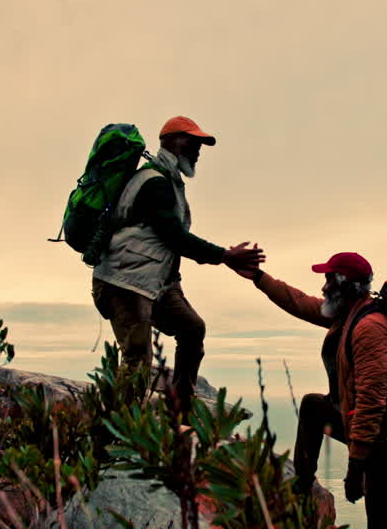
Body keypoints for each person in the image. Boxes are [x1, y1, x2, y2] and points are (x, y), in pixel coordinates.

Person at [229, 251, 387, 529]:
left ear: (347, 286)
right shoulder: (348, 314)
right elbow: (300, 302)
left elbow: (371, 403)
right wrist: (258, 278)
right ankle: (302, 482)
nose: (323, 286)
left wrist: (356, 467)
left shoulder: (369, 328)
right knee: (315, 406)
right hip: (370, 433)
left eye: (329, 280)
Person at [91, 115, 263, 414]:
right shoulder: (154, 182)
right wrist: (225, 256)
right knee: (137, 363)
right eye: (192, 141)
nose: (198, 149)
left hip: (154, 282)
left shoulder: (168, 181)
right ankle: (119, 433)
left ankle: (181, 408)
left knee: (192, 328)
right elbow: (173, 236)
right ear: (171, 142)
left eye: (200, 144)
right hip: (124, 282)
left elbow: (167, 240)